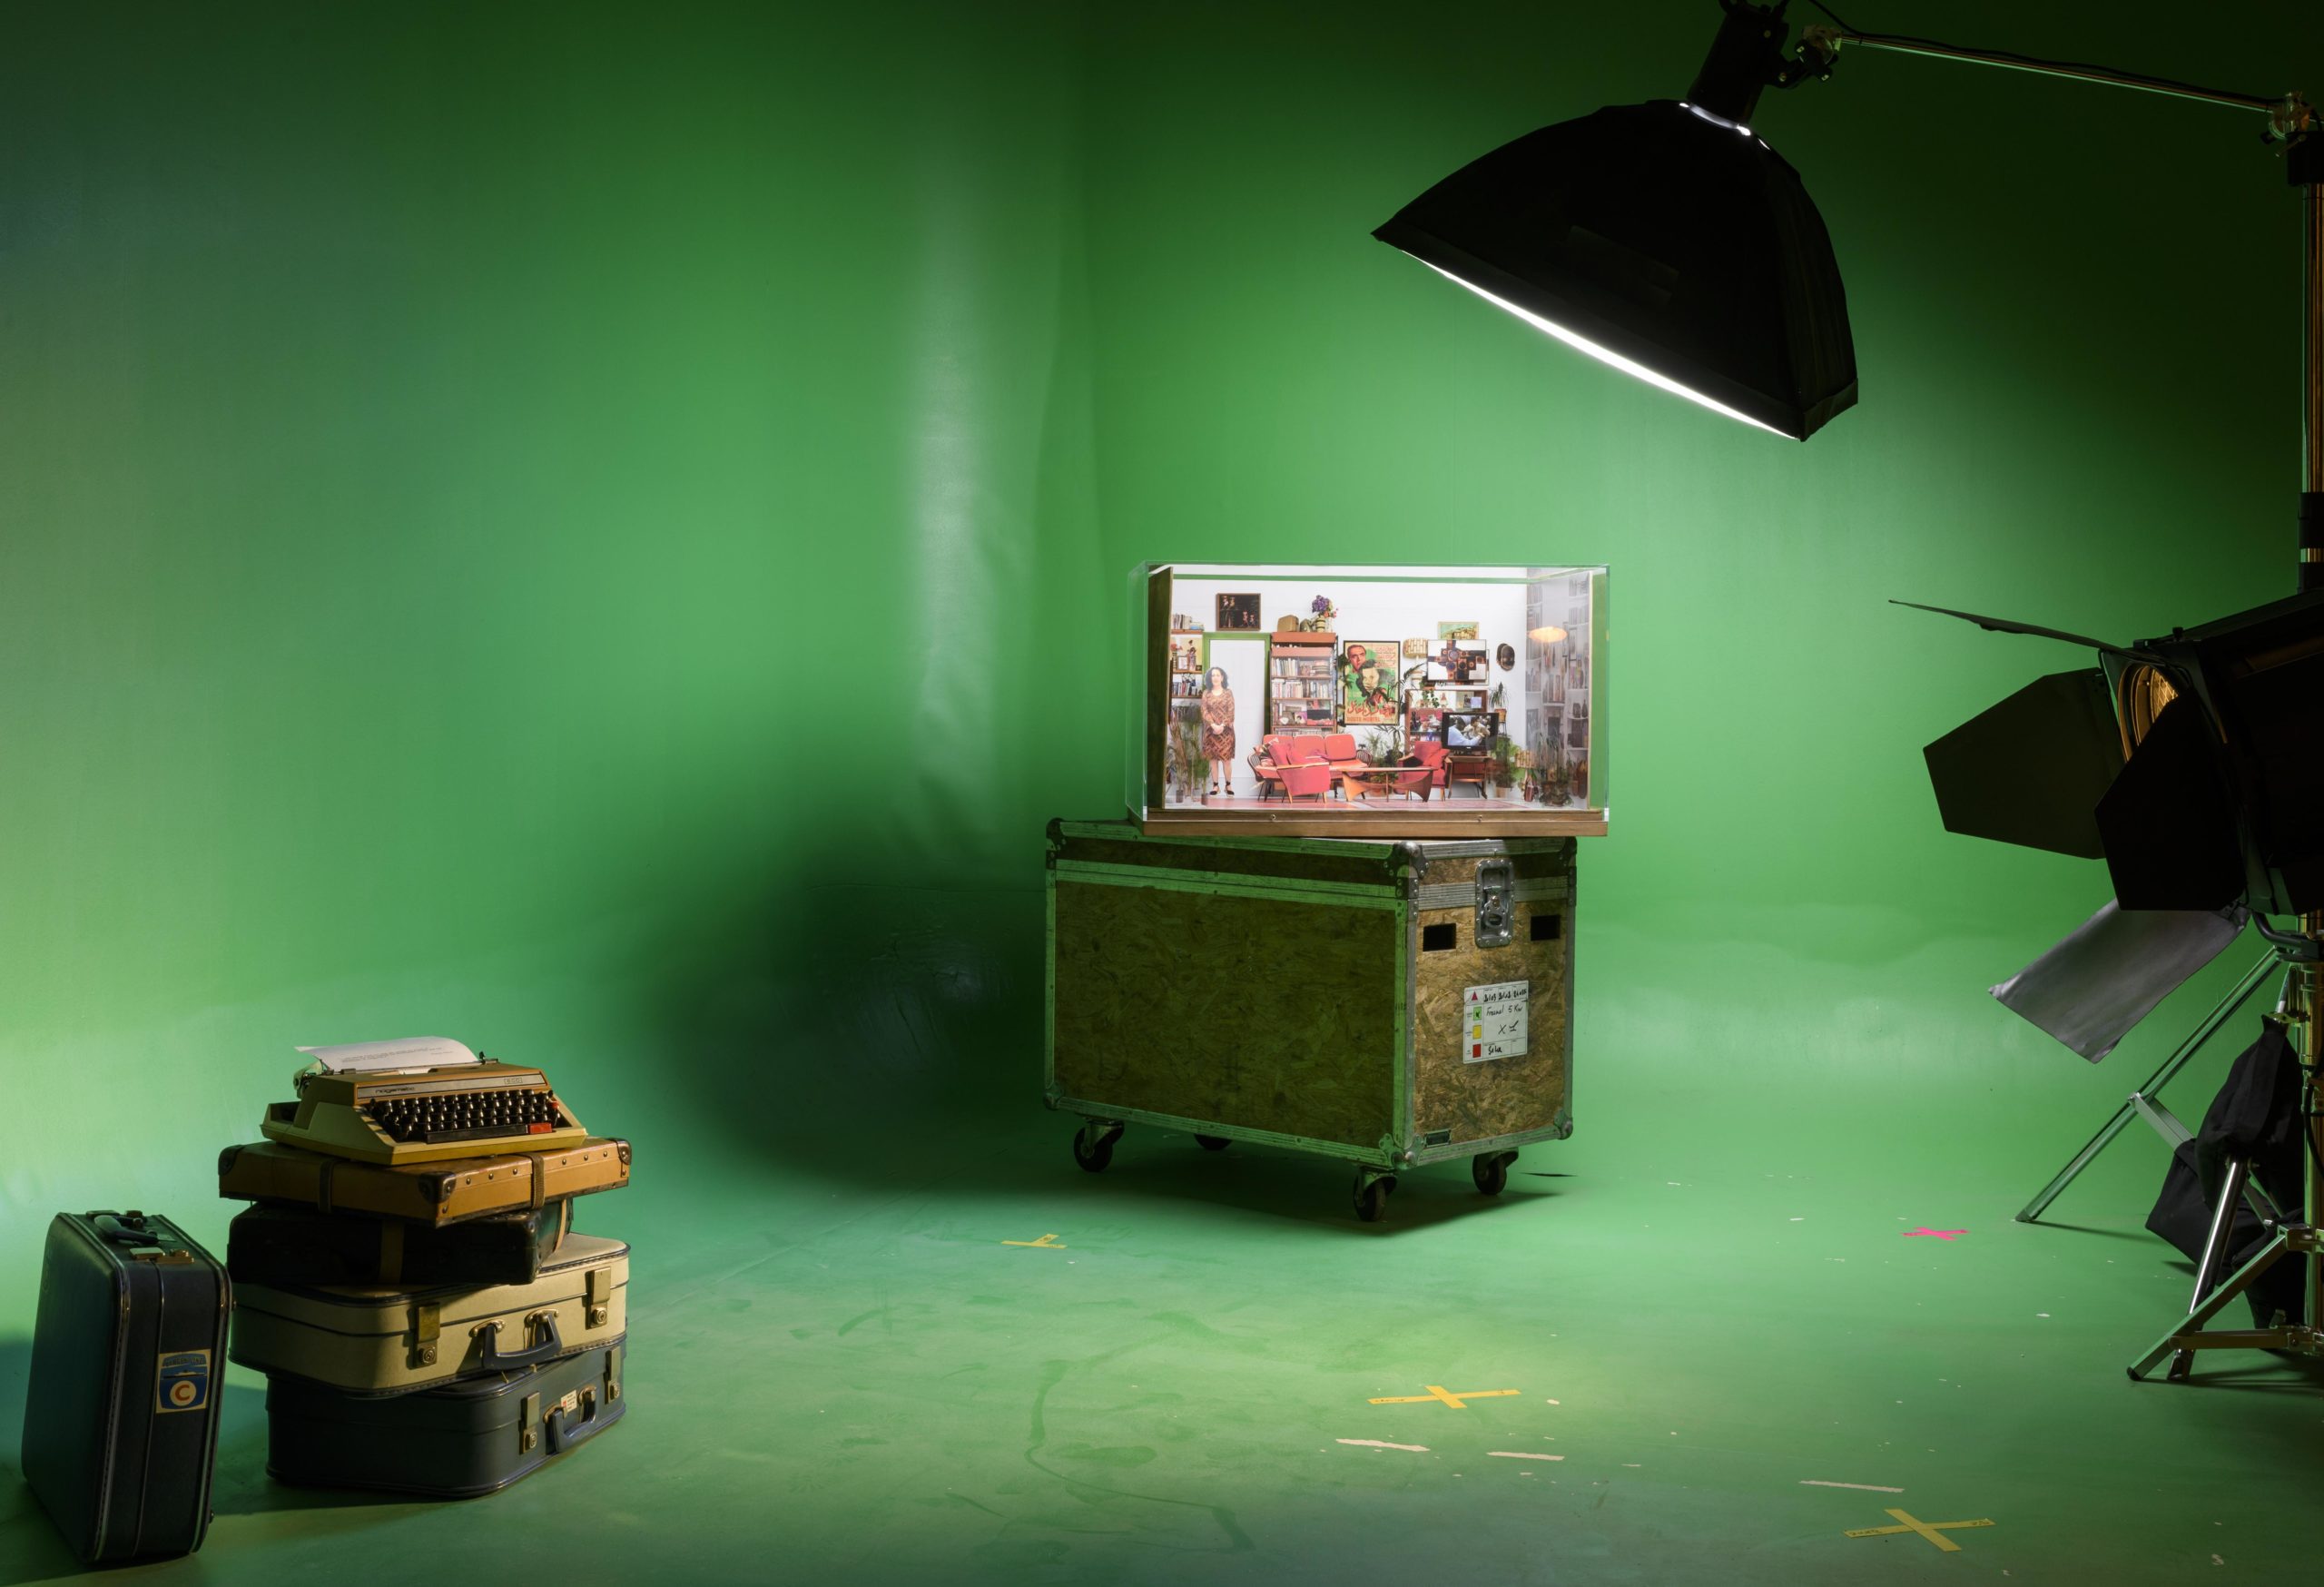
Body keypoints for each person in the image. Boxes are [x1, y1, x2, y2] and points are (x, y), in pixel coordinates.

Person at [1200, 665, 1236, 796]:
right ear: (1210, 678)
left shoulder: (1228, 693)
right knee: (1213, 759)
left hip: (1226, 732)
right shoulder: (1206, 693)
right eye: (1213, 675)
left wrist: (1221, 725)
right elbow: (1204, 711)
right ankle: (1216, 786)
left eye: (1217, 675)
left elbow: (1231, 711)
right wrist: (1213, 725)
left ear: (1222, 678)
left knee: (1226, 760)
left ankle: (1228, 785)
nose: (1215, 677)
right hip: (1211, 731)